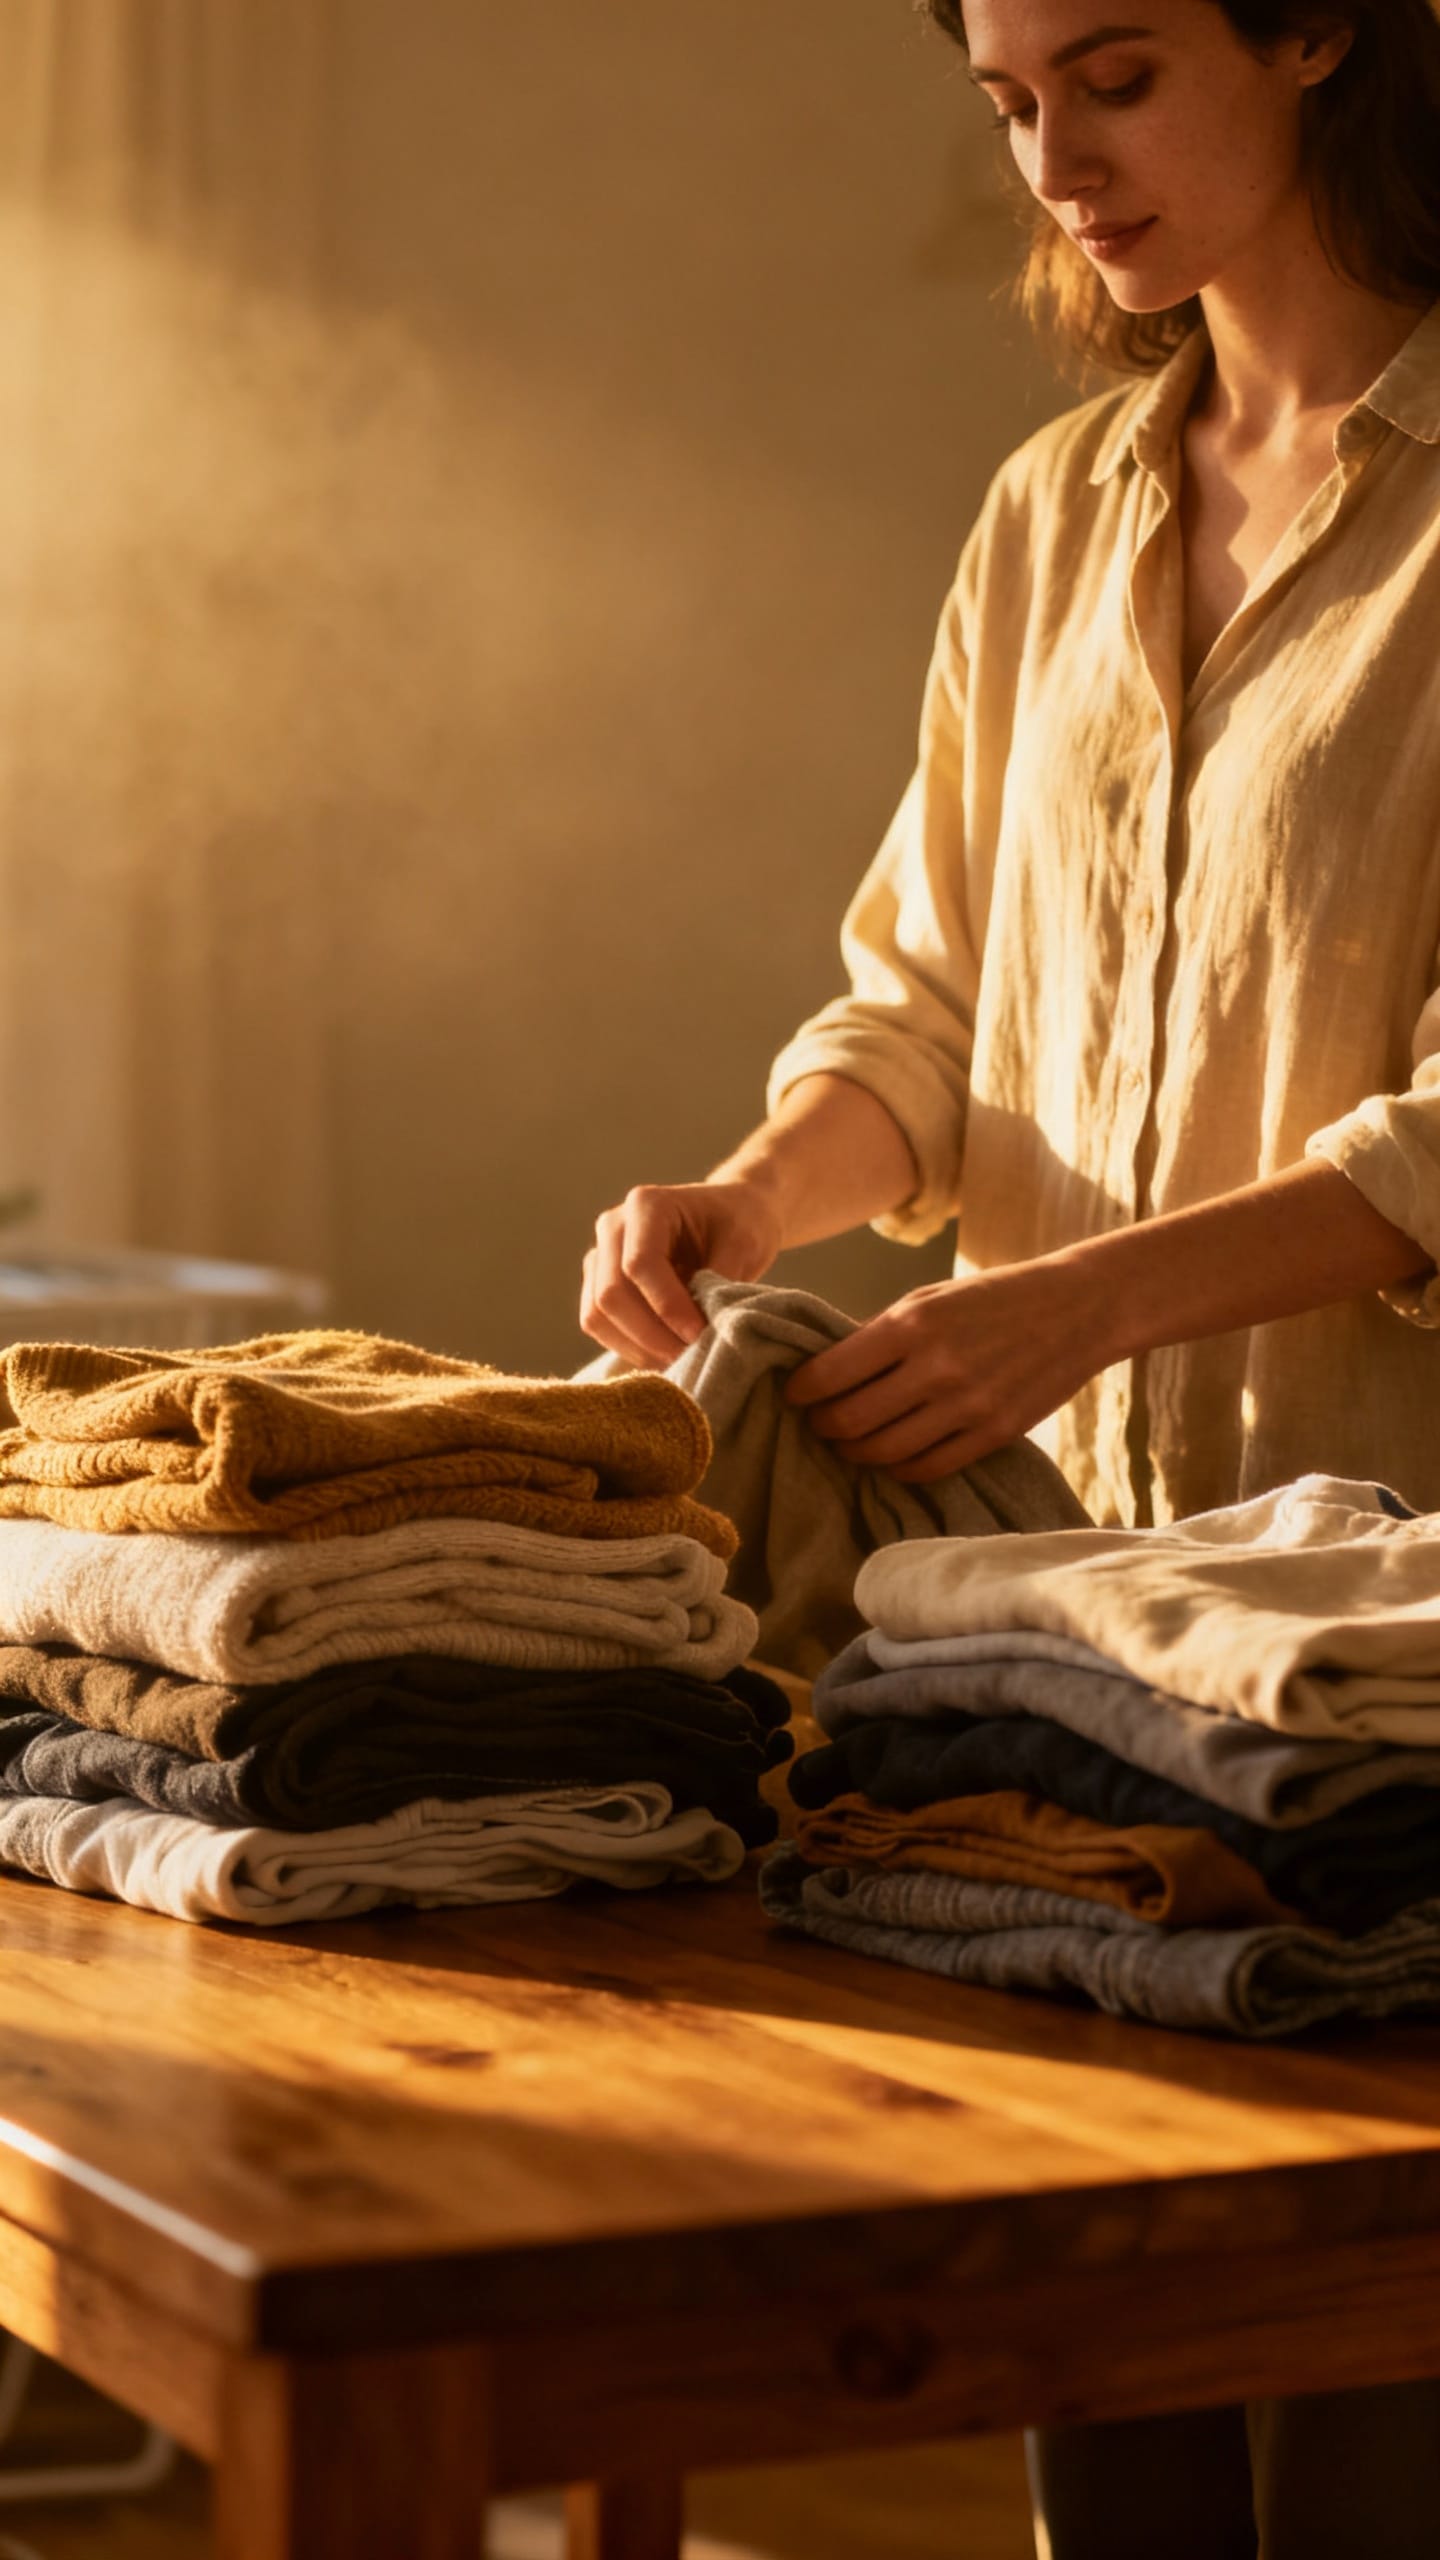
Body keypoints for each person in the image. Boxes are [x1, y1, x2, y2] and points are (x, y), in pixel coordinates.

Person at [582, 1, 1440, 2551]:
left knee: (1379, 2435)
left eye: (1117, 70)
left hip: (1385, 1669)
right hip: (1061, 1679)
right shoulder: (1060, 509)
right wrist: (757, 1193)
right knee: (1118, 2403)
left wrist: (1085, 1304)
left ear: (1321, 33)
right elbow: (928, 1013)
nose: (1057, 158)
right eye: (1003, 105)